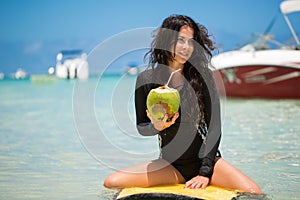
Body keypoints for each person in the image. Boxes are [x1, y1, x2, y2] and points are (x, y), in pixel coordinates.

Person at [104, 15, 262, 194]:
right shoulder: (146, 80)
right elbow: (142, 127)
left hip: (206, 163)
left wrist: (204, 173)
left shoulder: (203, 78)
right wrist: (156, 126)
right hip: (171, 165)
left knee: (253, 192)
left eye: (191, 41)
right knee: (111, 182)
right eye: (180, 40)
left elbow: (214, 128)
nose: (186, 47)